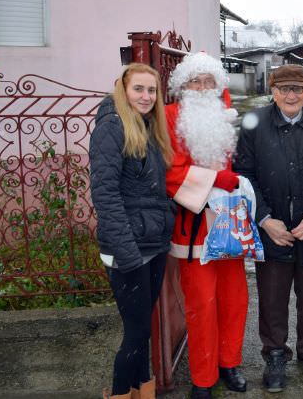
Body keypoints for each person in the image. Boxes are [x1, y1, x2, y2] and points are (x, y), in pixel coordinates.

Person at [233, 64, 303, 393]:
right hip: (272, 230)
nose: (291, 95)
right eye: (283, 89)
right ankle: (275, 355)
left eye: (297, 88)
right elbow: (244, 175)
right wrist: (265, 219)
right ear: (273, 91)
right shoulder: (254, 125)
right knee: (272, 299)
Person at [164, 52, 248, 399]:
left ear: (217, 85)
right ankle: (203, 376)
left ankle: (229, 363)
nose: (201, 87)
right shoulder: (170, 118)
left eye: (208, 81)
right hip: (193, 225)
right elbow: (171, 172)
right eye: (194, 81)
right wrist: (218, 178)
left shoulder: (226, 114)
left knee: (235, 298)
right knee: (201, 303)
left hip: (228, 220)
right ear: (183, 87)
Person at [90, 63, 175, 399]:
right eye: (139, 89)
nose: (146, 96)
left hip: (152, 244)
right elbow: (105, 194)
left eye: (151, 91)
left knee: (143, 333)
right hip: (129, 249)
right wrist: (127, 253)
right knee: (136, 332)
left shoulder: (148, 126)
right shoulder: (112, 127)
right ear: (123, 91)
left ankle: (143, 392)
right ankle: (121, 392)